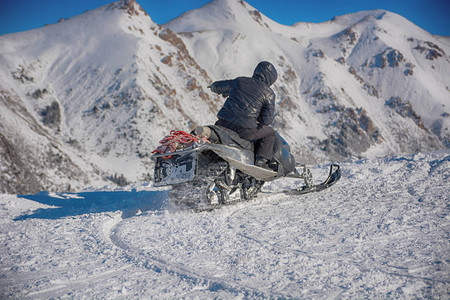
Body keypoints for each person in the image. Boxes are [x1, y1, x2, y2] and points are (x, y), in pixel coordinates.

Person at [208, 61, 278, 170]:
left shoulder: (240, 81)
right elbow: (266, 121)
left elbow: (219, 86)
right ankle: (261, 162)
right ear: (270, 79)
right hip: (244, 131)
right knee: (270, 133)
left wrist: (212, 87)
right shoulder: (269, 94)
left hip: (222, 123)